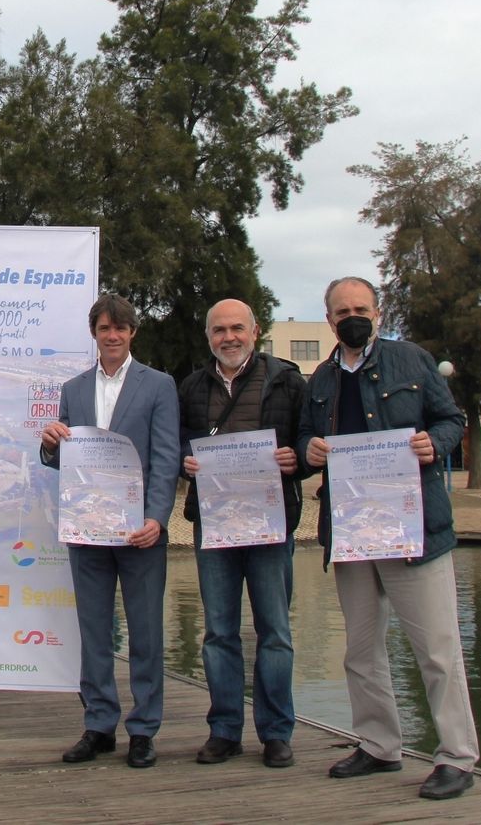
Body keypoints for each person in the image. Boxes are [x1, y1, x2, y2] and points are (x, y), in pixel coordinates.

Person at [296, 276, 479, 800]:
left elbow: (452, 419)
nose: (352, 316)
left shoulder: (412, 361)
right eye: (342, 310)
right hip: (351, 531)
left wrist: (434, 444)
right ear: (329, 319)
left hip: (413, 527)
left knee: (437, 648)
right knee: (360, 649)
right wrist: (309, 450)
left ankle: (457, 756)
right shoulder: (322, 380)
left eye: (361, 308)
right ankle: (378, 745)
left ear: (377, 313)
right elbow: (307, 436)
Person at [39, 293, 179, 769]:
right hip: (88, 530)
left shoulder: (159, 385)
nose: (112, 335)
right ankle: (99, 724)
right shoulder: (74, 389)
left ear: (132, 333)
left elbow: (166, 458)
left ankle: (143, 729)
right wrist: (49, 443)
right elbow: (64, 459)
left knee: (145, 634)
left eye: (120, 328)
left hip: (139, 531)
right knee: (94, 631)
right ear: (94, 333)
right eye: (104, 328)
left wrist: (157, 519)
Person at [177, 299, 307, 769]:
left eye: (237, 328)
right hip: (214, 524)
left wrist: (299, 460)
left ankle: (276, 733)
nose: (228, 337)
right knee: (218, 633)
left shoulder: (287, 380)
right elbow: (178, 442)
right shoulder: (191, 385)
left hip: (272, 524)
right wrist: (183, 462)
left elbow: (307, 440)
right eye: (218, 330)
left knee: (275, 632)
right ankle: (225, 730)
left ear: (255, 332)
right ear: (208, 336)